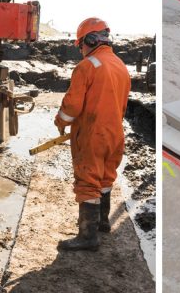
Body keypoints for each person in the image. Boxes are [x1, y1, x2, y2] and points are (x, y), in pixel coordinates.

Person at [54, 17, 131, 251]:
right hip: (115, 133)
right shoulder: (120, 65)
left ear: (89, 40)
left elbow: (72, 105)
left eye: (81, 45)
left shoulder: (88, 66)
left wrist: (60, 121)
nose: (81, 51)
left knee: (88, 180)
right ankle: (102, 222)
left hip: (92, 134)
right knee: (105, 176)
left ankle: (87, 237)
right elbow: (122, 104)